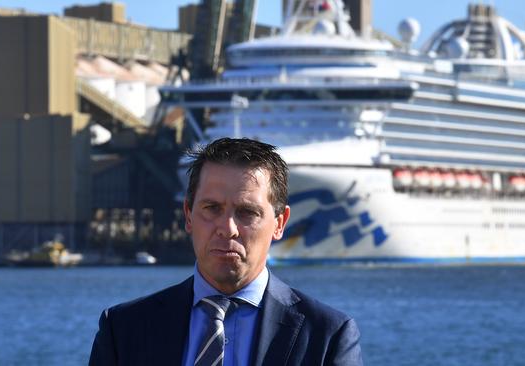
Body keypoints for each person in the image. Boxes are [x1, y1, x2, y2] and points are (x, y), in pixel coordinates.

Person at [89, 138, 363, 365]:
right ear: (188, 215)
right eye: (212, 208)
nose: (227, 228)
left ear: (279, 223)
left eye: (247, 212)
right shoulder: (123, 329)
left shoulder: (327, 336)